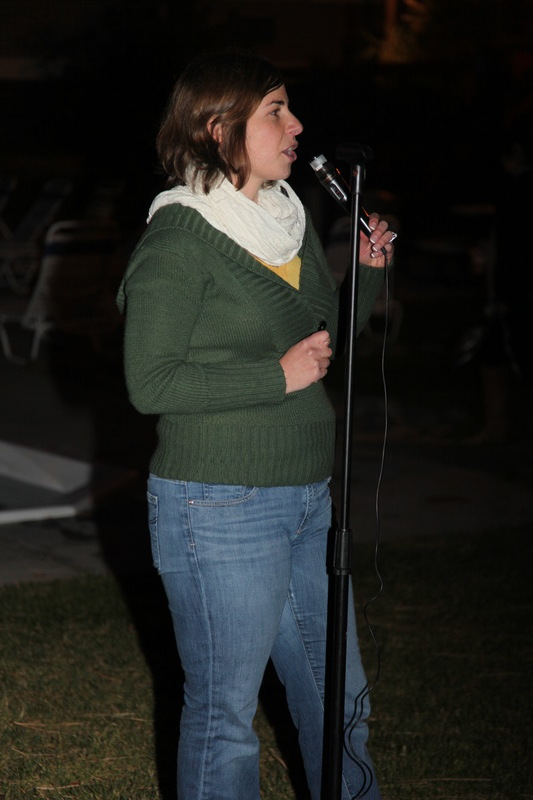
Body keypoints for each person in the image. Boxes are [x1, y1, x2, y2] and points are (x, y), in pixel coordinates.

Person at [117, 50, 395, 800]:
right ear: (218, 129)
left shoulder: (287, 222)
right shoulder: (179, 240)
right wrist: (276, 377)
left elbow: (319, 344)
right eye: (275, 110)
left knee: (340, 701)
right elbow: (150, 382)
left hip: (307, 495)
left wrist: (366, 275)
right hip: (218, 504)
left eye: (289, 108)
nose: (296, 125)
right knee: (226, 718)